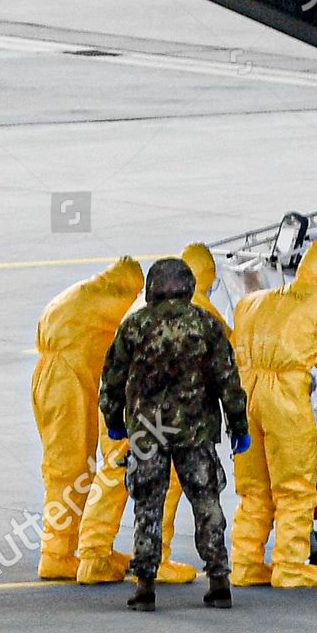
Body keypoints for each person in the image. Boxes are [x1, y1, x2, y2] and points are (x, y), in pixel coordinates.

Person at [99, 257, 249, 612]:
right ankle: (219, 581)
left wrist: (113, 420)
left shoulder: (135, 326)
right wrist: (238, 426)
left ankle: (145, 586)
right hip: (196, 431)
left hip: (147, 433)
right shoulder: (206, 326)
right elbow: (228, 380)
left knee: (148, 506)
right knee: (206, 503)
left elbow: (113, 378)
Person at [77, 243, 231, 585]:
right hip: (169, 423)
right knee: (172, 489)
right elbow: (227, 365)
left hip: (133, 416)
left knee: (118, 480)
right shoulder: (198, 312)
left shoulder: (137, 313)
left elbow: (114, 371)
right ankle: (159, 563)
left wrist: (114, 419)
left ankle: (93, 553)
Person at [230, 240, 317, 588]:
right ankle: (290, 566)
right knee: (294, 488)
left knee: (255, 488)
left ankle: (245, 563)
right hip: (285, 400)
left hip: (245, 396)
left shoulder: (253, 302)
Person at [31, 257, 146, 580]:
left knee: (66, 467)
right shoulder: (116, 302)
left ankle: (72, 548)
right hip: (69, 382)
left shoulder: (78, 294)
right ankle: (58, 554)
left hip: (47, 377)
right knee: (71, 469)